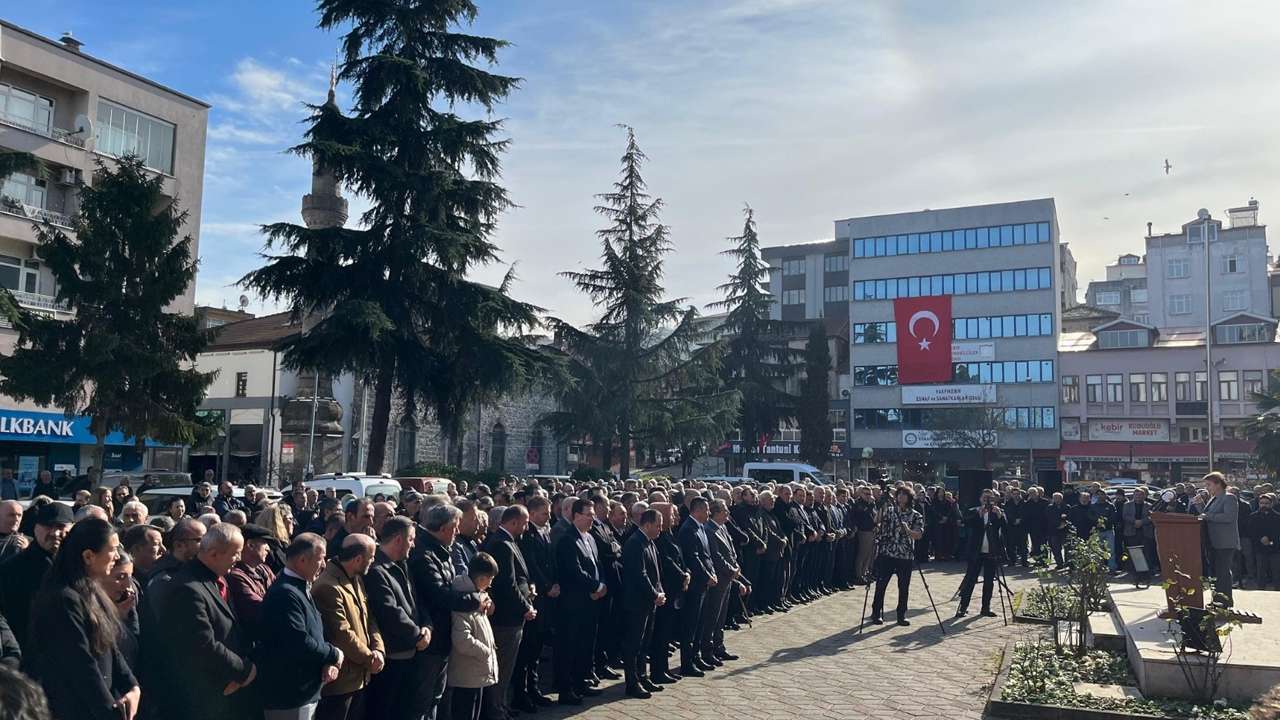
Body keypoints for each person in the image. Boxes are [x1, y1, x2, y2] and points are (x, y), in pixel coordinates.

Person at [24, 517, 140, 720]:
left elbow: (110, 648)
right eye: (112, 550)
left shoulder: (92, 592)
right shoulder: (62, 599)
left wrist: (132, 687)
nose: (116, 556)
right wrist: (109, 713)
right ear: (88, 556)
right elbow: (81, 665)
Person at [153, 523, 257, 720]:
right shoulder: (187, 588)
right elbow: (201, 644)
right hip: (207, 694)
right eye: (235, 553)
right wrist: (243, 670)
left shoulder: (215, 579)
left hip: (227, 689)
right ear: (213, 553)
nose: (239, 559)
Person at [409, 503, 489, 720]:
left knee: (436, 697)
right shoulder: (424, 555)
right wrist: (475, 600)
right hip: (431, 638)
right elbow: (440, 595)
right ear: (444, 528)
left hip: (442, 636)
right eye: (455, 527)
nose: (457, 532)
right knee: (423, 702)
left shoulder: (440, 550)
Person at [258, 532, 343, 720]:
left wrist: (327, 660)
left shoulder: (300, 586)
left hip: (305, 690)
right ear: (303, 560)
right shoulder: (285, 593)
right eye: (321, 559)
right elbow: (299, 642)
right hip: (290, 694)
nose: (324, 565)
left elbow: (315, 630)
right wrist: (333, 654)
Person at [365, 516, 430, 720]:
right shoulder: (377, 570)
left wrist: (427, 626)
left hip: (410, 650)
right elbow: (389, 612)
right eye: (411, 539)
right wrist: (418, 635)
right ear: (398, 540)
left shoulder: (402, 564)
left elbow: (416, 601)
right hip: (393, 655)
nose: (414, 544)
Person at [314, 533, 385, 720]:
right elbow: (341, 633)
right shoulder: (327, 586)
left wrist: (378, 650)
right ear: (358, 559)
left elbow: (369, 618)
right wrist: (369, 658)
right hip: (342, 682)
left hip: (361, 676)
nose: (373, 561)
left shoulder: (356, 578)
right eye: (371, 557)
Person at [480, 504, 535, 720]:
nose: (527, 525)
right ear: (514, 522)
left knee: (506, 667)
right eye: (525, 521)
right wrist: (526, 606)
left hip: (513, 615)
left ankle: (500, 706)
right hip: (506, 618)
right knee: (501, 667)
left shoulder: (510, 541)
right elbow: (507, 584)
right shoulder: (501, 544)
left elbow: (520, 577)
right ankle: (495, 710)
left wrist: (529, 588)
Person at [553, 499, 608, 705]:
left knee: (586, 644)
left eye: (593, 514)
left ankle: (580, 682)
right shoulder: (568, 540)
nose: (592, 518)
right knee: (570, 645)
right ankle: (566, 689)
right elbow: (574, 572)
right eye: (588, 514)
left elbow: (598, 564)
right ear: (576, 516)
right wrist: (595, 587)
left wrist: (602, 584)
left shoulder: (591, 538)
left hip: (592, 602)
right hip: (574, 603)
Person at [0, 502, 73, 651]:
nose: (54, 533)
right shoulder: (11, 569)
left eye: (60, 527)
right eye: (48, 526)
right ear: (36, 528)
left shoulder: (80, 564)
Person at [514, 495, 557, 709]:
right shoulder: (527, 535)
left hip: (546, 598)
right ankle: (521, 693)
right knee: (527, 649)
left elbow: (551, 561)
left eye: (548, 513)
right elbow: (531, 565)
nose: (548, 516)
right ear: (531, 514)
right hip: (535, 596)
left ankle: (534, 688)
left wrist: (555, 582)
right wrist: (547, 586)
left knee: (537, 648)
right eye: (544, 513)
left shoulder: (545, 531)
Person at [448, 553, 500, 720]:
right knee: (465, 712)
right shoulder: (464, 600)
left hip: (476, 670)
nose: (491, 584)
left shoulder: (478, 595)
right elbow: (462, 639)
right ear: (482, 579)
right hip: (468, 671)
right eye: (490, 579)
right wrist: (485, 651)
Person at [621, 508, 666, 698]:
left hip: (649, 602)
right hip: (637, 603)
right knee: (633, 644)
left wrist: (660, 591)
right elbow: (640, 575)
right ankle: (632, 682)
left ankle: (642, 676)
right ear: (647, 525)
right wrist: (655, 593)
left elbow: (655, 571)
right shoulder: (635, 543)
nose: (660, 529)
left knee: (644, 643)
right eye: (658, 525)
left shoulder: (650, 542)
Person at [870, 486, 924, 627]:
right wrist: (881, 504)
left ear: (909, 498)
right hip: (887, 553)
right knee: (881, 584)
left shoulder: (916, 515)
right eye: (899, 494)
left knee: (903, 587)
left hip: (905, 555)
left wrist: (908, 530)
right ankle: (876, 613)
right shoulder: (890, 511)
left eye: (904, 494)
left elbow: (918, 535)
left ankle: (901, 615)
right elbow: (876, 520)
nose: (901, 497)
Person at [677, 495, 717, 676]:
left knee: (700, 623)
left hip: (704, 583)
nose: (709, 513)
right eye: (707, 509)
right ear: (698, 510)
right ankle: (687, 663)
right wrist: (706, 575)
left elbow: (706, 556)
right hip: (695, 585)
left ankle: (696, 656)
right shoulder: (688, 529)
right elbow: (693, 558)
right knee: (690, 625)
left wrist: (712, 572)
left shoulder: (700, 527)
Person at [701, 499, 744, 667]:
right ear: (716, 512)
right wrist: (730, 569)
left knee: (721, 616)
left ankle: (719, 646)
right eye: (725, 511)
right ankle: (708, 650)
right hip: (719, 578)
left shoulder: (723, 527)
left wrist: (735, 566)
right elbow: (716, 557)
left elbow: (730, 551)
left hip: (728, 578)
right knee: (712, 616)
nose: (728, 514)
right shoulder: (709, 530)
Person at [955, 489, 1006, 618]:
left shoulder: (998, 511)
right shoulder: (974, 511)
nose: (987, 501)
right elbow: (966, 523)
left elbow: (1005, 525)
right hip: (976, 551)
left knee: (989, 581)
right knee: (970, 580)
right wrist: (978, 514)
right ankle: (963, 607)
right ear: (980, 499)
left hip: (991, 551)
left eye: (990, 498)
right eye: (985, 498)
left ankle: (985, 608)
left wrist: (1000, 516)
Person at [227, 523, 278, 643]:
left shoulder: (264, 569)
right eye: (265, 543)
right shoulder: (235, 576)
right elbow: (262, 610)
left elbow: (282, 593)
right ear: (250, 545)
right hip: (258, 644)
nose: (268, 548)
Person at [1201, 472, 1241, 606]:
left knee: (1223, 572)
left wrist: (1208, 516)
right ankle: (1217, 600)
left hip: (1225, 542)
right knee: (1215, 573)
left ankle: (1225, 601)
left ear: (1218, 484)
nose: (1207, 488)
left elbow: (1228, 517)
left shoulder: (1229, 498)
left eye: (1209, 484)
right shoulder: (1213, 498)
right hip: (1213, 541)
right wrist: (1199, 506)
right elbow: (1205, 516)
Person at [1248, 494, 1280, 590]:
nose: (1264, 505)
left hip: (1275, 549)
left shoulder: (1278, 517)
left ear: (1271, 504)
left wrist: (1270, 540)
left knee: (1276, 573)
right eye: (1262, 503)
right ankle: (1260, 591)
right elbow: (1250, 531)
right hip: (1259, 549)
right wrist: (1260, 539)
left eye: (1266, 503)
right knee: (1260, 572)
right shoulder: (1253, 516)